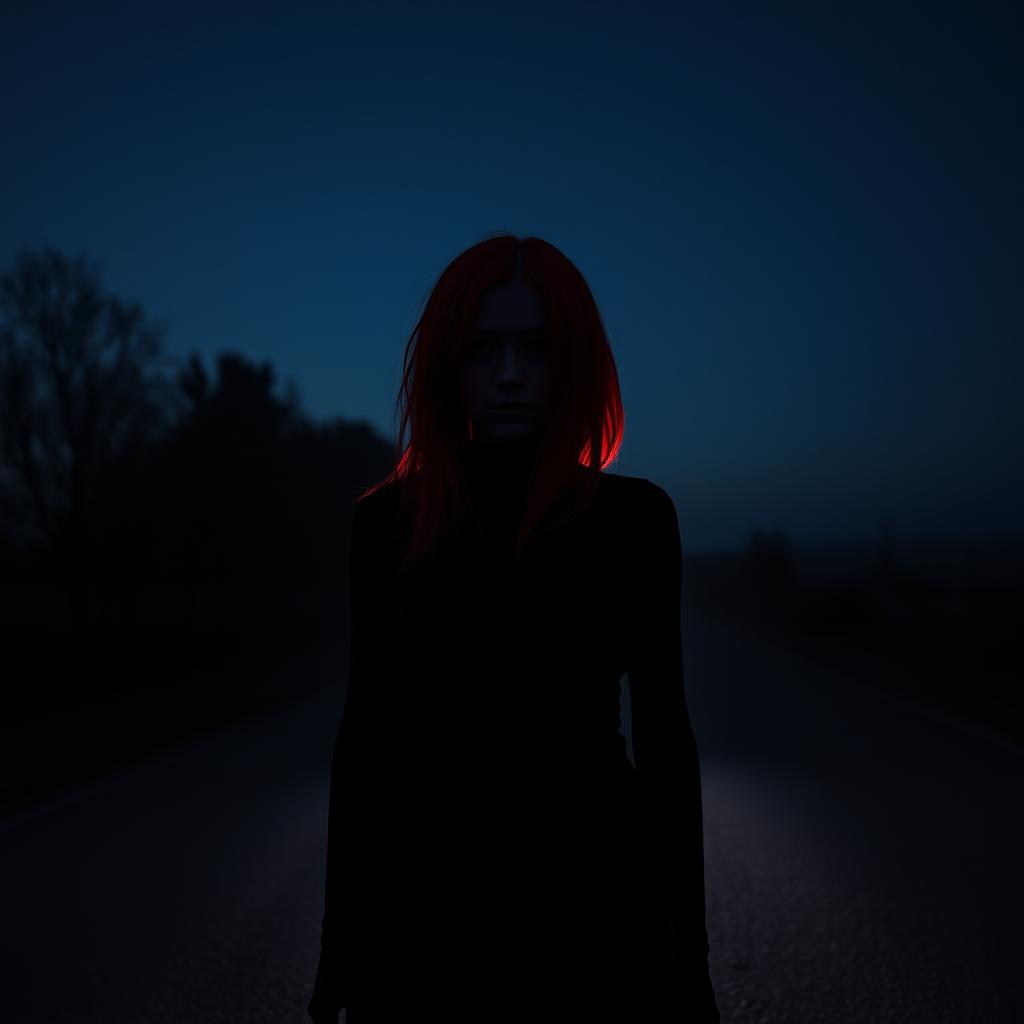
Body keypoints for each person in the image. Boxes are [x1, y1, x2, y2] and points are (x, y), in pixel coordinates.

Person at [308, 233, 720, 1023]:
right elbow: (365, 744)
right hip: (426, 932)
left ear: (573, 363)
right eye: (482, 349)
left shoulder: (633, 519)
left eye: (536, 349)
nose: (508, 375)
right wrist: (340, 950)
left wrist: (689, 955)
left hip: (597, 926)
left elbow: (668, 742)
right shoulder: (388, 524)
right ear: (445, 365)